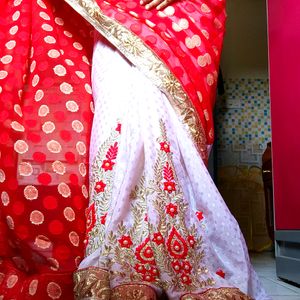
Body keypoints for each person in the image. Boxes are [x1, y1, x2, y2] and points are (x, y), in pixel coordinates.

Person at [0, 0, 271, 299]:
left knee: (161, 128)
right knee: (116, 125)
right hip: (110, 24)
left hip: (170, 22)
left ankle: (179, 254)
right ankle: (123, 260)